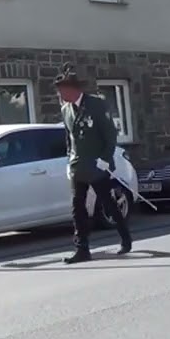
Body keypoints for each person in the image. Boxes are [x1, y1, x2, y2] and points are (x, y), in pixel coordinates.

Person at [55, 66, 131, 264]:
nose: (60, 94)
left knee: (107, 203)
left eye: (63, 90)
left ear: (74, 89)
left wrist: (105, 158)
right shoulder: (66, 110)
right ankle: (82, 248)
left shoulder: (96, 105)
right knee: (77, 207)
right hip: (78, 167)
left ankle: (125, 237)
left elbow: (110, 134)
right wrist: (68, 160)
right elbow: (69, 138)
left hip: (97, 166)